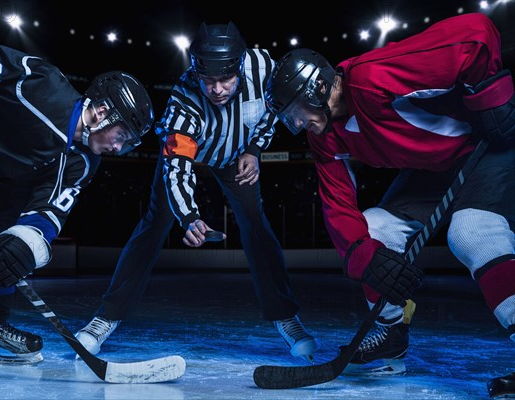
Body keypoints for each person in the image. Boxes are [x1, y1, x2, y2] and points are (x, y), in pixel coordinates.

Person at [265, 12, 514, 396]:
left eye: (293, 114)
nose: (296, 126)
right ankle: (390, 335)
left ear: (316, 89)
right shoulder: (325, 137)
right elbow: (338, 205)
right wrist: (365, 256)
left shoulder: (370, 78)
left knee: (472, 233)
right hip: (435, 168)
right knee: (372, 232)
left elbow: (475, 34)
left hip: (486, 147)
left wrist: (491, 95)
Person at [0, 20, 154, 393]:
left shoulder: (85, 161)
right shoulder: (42, 88)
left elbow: (50, 212)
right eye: (122, 135)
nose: (120, 148)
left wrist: (26, 244)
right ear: (102, 111)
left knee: (1, 248)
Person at [74, 21, 319, 364]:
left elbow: (273, 111)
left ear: (240, 65)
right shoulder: (183, 100)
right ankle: (107, 316)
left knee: (255, 224)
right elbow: (177, 165)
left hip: (236, 157)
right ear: (195, 72)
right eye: (208, 81)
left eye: (225, 80)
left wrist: (254, 150)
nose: (216, 90)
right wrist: (188, 216)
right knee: (153, 225)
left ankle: (285, 316)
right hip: (193, 154)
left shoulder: (265, 69)